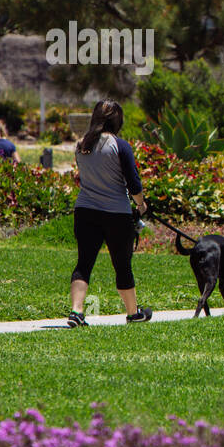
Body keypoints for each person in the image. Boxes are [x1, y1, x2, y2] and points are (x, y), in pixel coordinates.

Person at [67, 100, 152, 326]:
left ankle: (76, 312)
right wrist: (142, 205)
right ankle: (133, 313)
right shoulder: (120, 145)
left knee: (84, 263)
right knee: (122, 264)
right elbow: (133, 183)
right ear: (117, 121)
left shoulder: (81, 145)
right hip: (116, 214)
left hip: (85, 211)